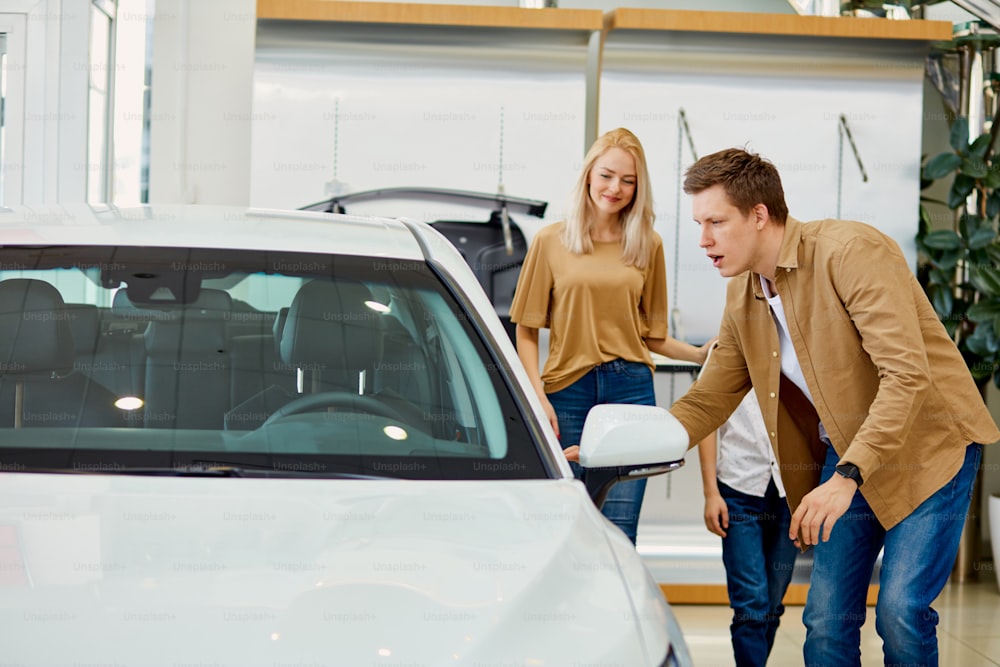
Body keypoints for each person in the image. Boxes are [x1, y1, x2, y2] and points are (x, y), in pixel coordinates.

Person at [659, 147, 999, 667]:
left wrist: (845, 477)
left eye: (715, 222)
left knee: (901, 612)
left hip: (929, 447)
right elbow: (713, 395)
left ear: (758, 215)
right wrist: (631, 444)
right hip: (848, 452)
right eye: (699, 223)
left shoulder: (850, 253)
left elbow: (906, 375)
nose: (703, 240)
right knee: (825, 623)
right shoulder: (743, 294)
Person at [509, 127, 712, 545]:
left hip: (631, 389)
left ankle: (618, 610)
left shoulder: (647, 244)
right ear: (588, 175)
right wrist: (537, 395)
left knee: (620, 526)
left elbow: (652, 335)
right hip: (567, 391)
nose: (615, 188)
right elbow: (526, 329)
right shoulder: (551, 241)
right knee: (566, 518)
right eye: (606, 175)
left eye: (628, 180)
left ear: (639, 188)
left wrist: (697, 354)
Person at [697, 344, 798, 667]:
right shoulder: (724, 350)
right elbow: (707, 421)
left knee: (771, 604)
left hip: (789, 493)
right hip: (738, 488)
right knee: (751, 604)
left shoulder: (802, 350)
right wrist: (711, 493)